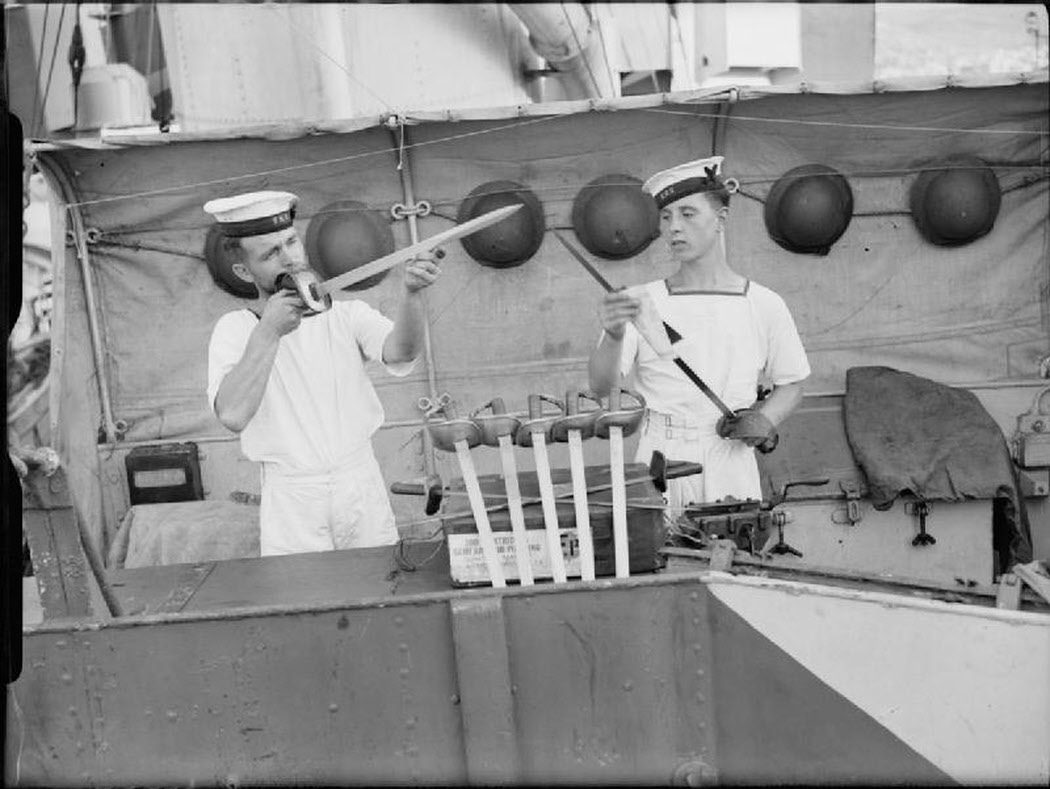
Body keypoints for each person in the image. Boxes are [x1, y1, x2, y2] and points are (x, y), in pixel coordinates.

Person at [204, 190, 440, 556]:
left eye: (291, 242)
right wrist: (269, 331)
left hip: (359, 484)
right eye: (270, 253)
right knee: (304, 602)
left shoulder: (346, 315)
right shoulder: (235, 330)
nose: (289, 258)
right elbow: (233, 415)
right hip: (292, 498)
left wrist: (412, 294)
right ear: (243, 270)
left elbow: (402, 351)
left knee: (379, 588)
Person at [588, 156, 810, 512]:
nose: (674, 227)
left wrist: (765, 419)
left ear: (720, 219)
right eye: (666, 216)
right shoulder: (642, 301)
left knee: (733, 554)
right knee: (661, 558)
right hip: (661, 455)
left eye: (687, 214)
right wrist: (613, 336)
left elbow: (793, 383)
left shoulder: (763, 303)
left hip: (730, 458)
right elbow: (601, 388)